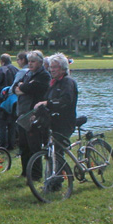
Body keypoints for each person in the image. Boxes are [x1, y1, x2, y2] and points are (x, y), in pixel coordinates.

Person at [32, 52, 78, 180]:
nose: (51, 70)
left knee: (57, 152)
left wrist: (48, 103)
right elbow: (46, 101)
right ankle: (53, 179)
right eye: (50, 67)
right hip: (53, 122)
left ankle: (57, 181)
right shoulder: (53, 83)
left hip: (65, 122)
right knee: (51, 152)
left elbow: (65, 100)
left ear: (63, 68)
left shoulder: (68, 82)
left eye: (55, 67)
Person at [13, 51, 51, 177]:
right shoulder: (29, 73)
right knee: (23, 145)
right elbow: (15, 88)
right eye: (29, 61)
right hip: (23, 113)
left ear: (40, 62)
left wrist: (23, 87)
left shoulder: (44, 75)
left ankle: (36, 174)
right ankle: (25, 172)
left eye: (33, 61)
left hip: (34, 114)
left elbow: (30, 89)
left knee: (34, 145)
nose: (30, 64)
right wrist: (23, 87)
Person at [0, 53, 18, 150]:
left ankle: (2, 146)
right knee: (12, 123)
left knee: (2, 124)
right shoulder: (17, 70)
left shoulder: (0, 70)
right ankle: (11, 145)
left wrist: (2, 94)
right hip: (14, 101)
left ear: (2, 61)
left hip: (3, 102)